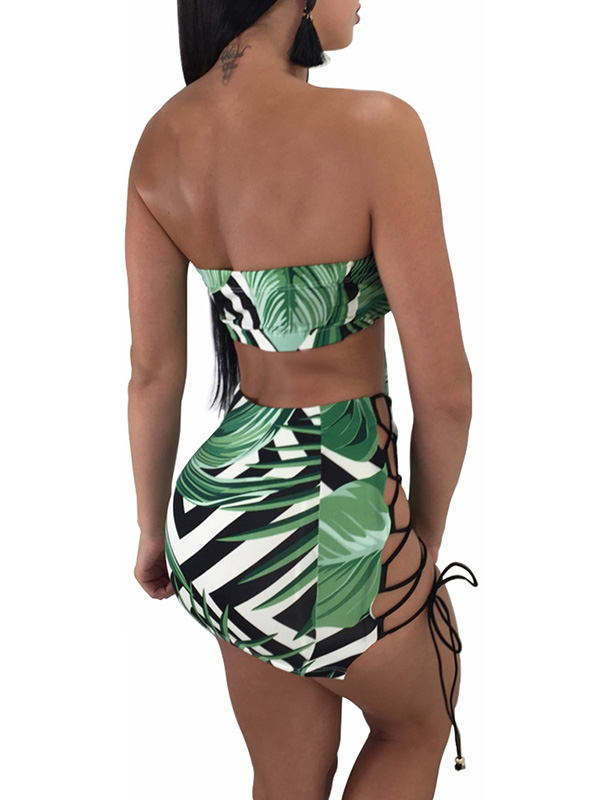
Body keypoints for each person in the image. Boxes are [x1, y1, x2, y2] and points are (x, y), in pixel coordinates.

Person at [126, 2, 478, 798]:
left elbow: (152, 372)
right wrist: (418, 544)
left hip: (217, 518)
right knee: (417, 724)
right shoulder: (379, 127)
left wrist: (150, 532)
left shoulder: (162, 139)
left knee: (285, 778)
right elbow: (447, 392)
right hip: (338, 499)